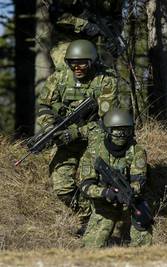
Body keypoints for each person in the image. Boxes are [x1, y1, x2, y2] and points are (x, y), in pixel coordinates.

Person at [36, 39, 120, 228]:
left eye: (82, 62)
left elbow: (106, 121)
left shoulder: (105, 80)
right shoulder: (59, 78)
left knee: (91, 180)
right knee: (62, 186)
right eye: (73, 63)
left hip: (96, 138)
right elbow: (43, 107)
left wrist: (77, 132)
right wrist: (50, 127)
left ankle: (104, 219)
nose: (77, 67)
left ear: (92, 62)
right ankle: (87, 213)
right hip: (66, 138)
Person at [79, 109, 152, 248]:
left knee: (144, 242)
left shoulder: (137, 151)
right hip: (104, 205)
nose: (122, 135)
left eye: (126, 131)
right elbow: (85, 186)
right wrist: (106, 193)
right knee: (91, 248)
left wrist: (130, 191)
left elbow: (139, 180)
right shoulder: (94, 152)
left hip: (132, 202)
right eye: (118, 131)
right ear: (108, 131)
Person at [48, 0, 124, 69]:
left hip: (91, 42)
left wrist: (112, 37)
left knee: (99, 72)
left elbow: (116, 17)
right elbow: (59, 16)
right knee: (69, 69)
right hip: (66, 39)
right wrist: (86, 26)